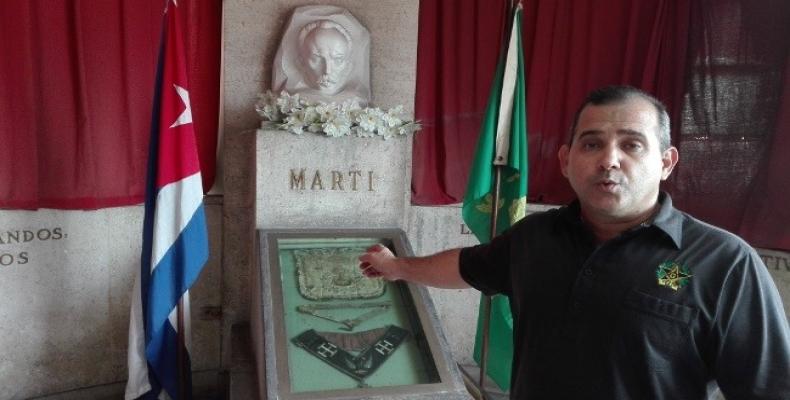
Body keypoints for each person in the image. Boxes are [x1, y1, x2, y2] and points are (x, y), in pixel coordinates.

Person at [359, 85, 790, 399]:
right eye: (592, 143)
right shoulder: (534, 238)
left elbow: (768, 386)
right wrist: (397, 268)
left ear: (665, 162)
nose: (609, 159)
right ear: (567, 162)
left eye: (632, 145)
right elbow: (467, 267)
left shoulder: (726, 262)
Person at [272, 5, 371, 105]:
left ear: (348, 65)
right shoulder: (289, 101)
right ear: (301, 62)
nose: (327, 70)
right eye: (317, 58)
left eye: (337, 59)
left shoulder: (356, 101)